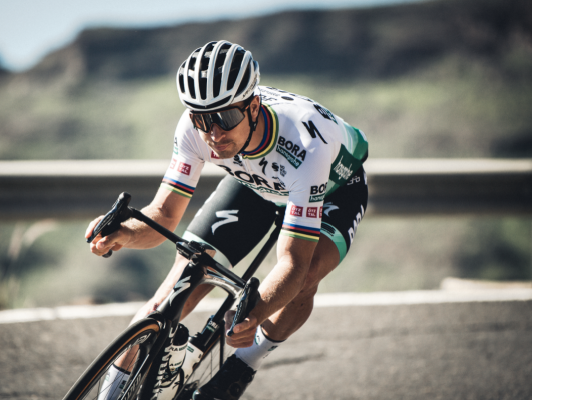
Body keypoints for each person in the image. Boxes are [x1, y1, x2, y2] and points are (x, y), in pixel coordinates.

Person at [86, 40, 369, 400]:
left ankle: (243, 366)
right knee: (171, 294)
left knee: (307, 275)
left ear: (253, 107)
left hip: (333, 189)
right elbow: (164, 214)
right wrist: (124, 233)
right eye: (202, 119)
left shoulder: (304, 144)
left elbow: (293, 263)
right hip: (255, 184)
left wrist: (255, 313)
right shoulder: (194, 130)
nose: (214, 134)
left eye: (226, 118)